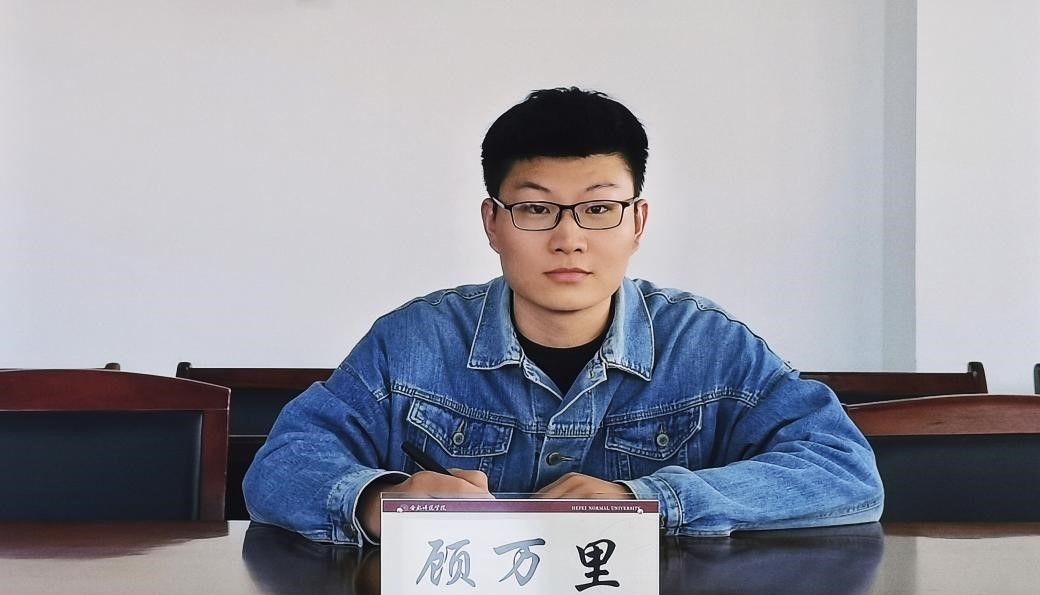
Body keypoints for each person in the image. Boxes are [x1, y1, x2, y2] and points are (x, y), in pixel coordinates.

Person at [243, 87, 883, 545]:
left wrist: (647, 501)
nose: (569, 239)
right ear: (493, 223)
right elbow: (282, 464)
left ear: (638, 222)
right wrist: (380, 500)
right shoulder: (413, 342)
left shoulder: (708, 345)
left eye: (599, 209)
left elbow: (844, 471)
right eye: (536, 209)